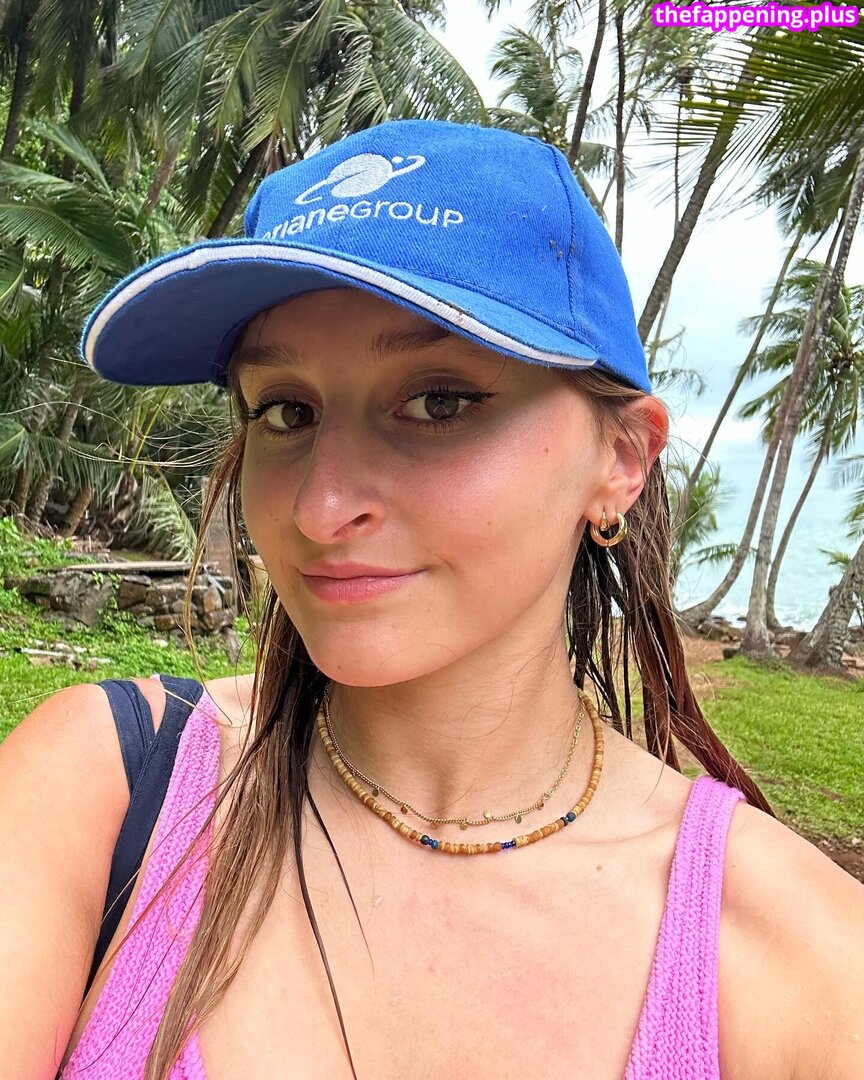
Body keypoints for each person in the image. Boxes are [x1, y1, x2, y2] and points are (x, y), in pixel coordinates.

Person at [1, 119, 862, 1080]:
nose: (322, 509)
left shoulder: (811, 962)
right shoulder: (106, 791)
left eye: (439, 401)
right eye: (285, 410)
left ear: (621, 460)